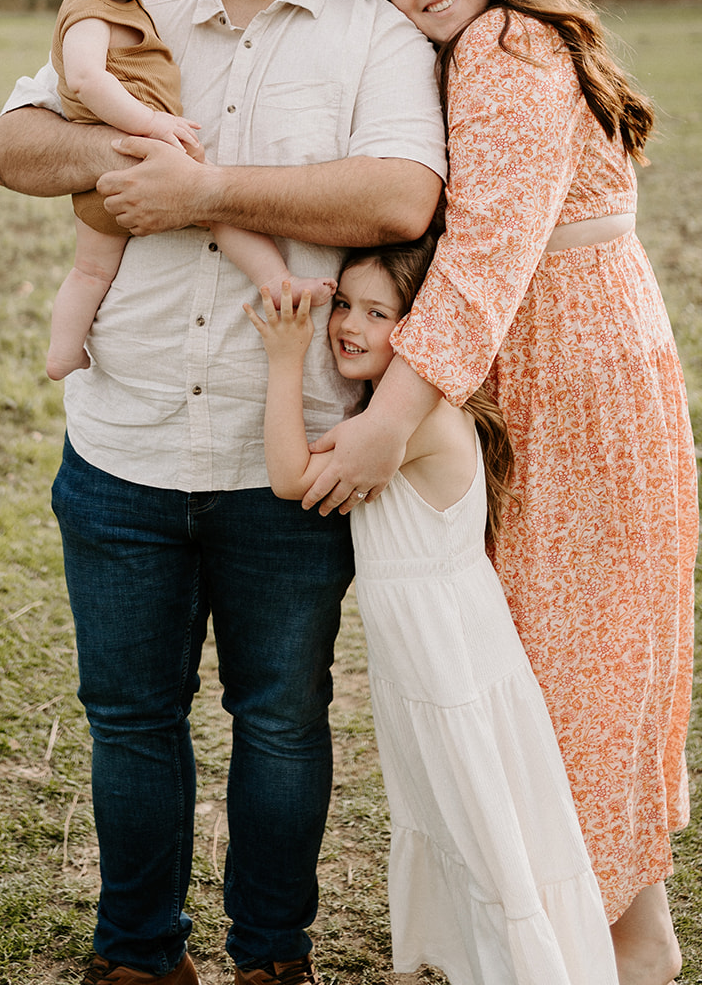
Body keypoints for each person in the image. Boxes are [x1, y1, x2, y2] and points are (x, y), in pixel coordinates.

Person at [0, 0, 446, 985]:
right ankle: (137, 955)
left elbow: (398, 195)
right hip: (123, 447)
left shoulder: (376, 35)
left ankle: (269, 958)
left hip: (282, 459)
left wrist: (203, 192)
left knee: (281, 723)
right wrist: (119, 147)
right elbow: (12, 145)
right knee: (129, 719)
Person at [303, 0, 698, 985]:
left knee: (571, 681)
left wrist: (390, 417)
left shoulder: (506, 45)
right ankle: (624, 939)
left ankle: (615, 945)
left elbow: (484, 257)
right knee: (565, 675)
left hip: (582, 396)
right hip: (552, 388)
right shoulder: (462, 57)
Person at [244, 242, 619, 985]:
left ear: (420, 330)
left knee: (482, 824)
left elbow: (291, 477)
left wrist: (285, 358)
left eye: (377, 313)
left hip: (449, 657)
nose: (347, 325)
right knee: (453, 814)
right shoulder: (386, 410)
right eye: (344, 304)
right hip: (421, 658)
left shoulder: (409, 422)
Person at [46, 0, 335, 380]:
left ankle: (277, 284)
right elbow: (85, 79)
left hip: (142, 162)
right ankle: (63, 350)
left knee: (188, 224)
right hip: (128, 159)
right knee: (93, 268)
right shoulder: (87, 8)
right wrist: (151, 123)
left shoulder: (134, 5)